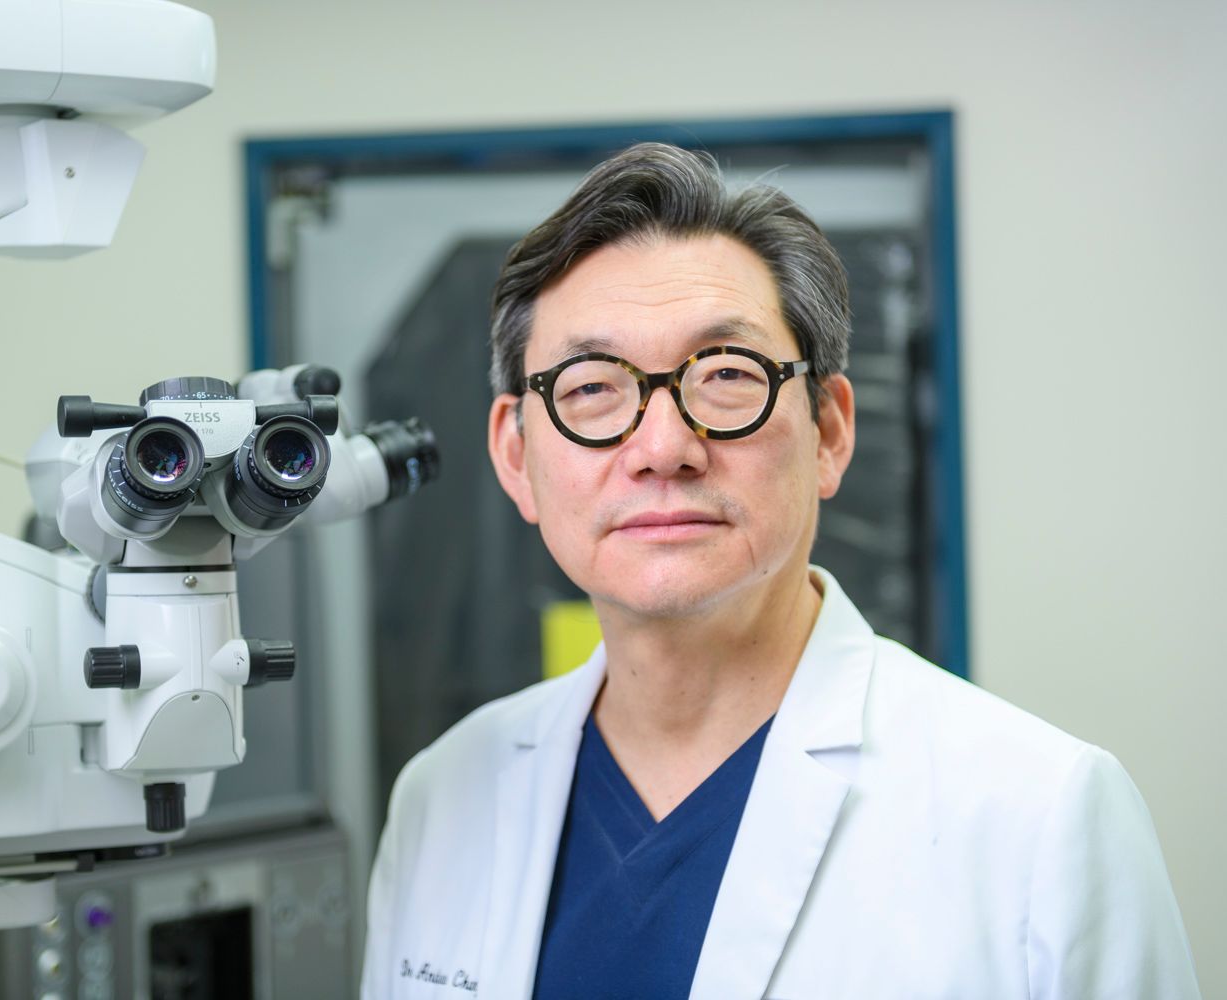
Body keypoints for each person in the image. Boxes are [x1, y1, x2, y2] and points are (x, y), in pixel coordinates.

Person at [360, 142, 1199, 999]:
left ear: (830, 431)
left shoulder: (1040, 813)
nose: (662, 448)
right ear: (515, 455)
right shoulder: (440, 798)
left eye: (727, 374)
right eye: (592, 387)